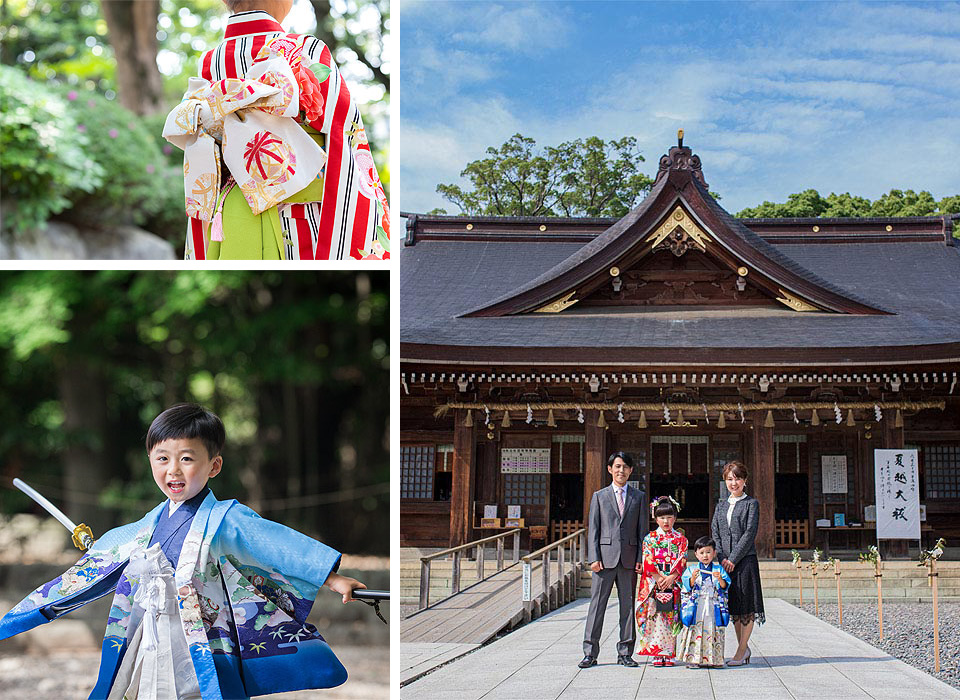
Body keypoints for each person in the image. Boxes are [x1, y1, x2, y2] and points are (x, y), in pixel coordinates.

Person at [0, 403, 366, 698]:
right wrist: (102, 557)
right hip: (148, 629)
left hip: (199, 635)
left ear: (214, 465)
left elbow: (275, 545)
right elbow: (95, 567)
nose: (173, 470)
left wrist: (332, 579)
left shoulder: (227, 519)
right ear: (151, 462)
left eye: (187, 459)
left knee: (196, 690)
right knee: (141, 688)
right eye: (162, 459)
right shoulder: (144, 526)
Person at [164, 0, 389, 261]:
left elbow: (202, 163)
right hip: (304, 221)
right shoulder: (306, 49)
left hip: (229, 221)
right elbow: (346, 138)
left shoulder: (208, 65)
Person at [579, 451, 645, 669]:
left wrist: (640, 558)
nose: (621, 470)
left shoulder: (639, 497)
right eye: (617, 466)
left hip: (628, 559)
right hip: (604, 560)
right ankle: (590, 652)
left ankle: (625, 652)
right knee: (597, 606)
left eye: (625, 467)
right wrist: (593, 558)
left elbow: (641, 531)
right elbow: (594, 529)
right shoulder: (599, 496)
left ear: (631, 470)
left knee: (627, 606)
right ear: (610, 469)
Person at [711, 459, 765, 666]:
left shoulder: (751, 504)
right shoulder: (721, 505)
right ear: (725, 481)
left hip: (745, 561)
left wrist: (733, 558)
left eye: (738, 479)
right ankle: (744, 648)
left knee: (747, 605)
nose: (734, 483)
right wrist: (722, 558)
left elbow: (750, 533)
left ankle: (741, 651)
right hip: (725, 562)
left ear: (745, 481)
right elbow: (715, 531)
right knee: (734, 605)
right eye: (730, 479)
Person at [635, 496, 687, 666]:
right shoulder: (649, 538)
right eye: (662, 517)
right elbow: (647, 559)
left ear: (675, 518)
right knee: (655, 616)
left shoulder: (681, 539)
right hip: (654, 583)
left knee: (670, 616)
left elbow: (682, 560)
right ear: (655, 518)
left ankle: (669, 653)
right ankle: (657, 652)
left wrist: (671, 577)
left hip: (672, 582)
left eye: (669, 517)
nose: (666, 521)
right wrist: (658, 578)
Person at [676, 536, 730, 669]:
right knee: (696, 629)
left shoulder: (718, 570)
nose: (705, 555)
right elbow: (687, 587)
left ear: (714, 553)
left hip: (713, 605)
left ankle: (715, 659)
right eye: (701, 552)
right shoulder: (691, 570)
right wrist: (693, 579)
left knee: (713, 629)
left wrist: (720, 579)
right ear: (696, 554)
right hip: (697, 605)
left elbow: (725, 586)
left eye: (708, 552)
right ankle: (693, 659)